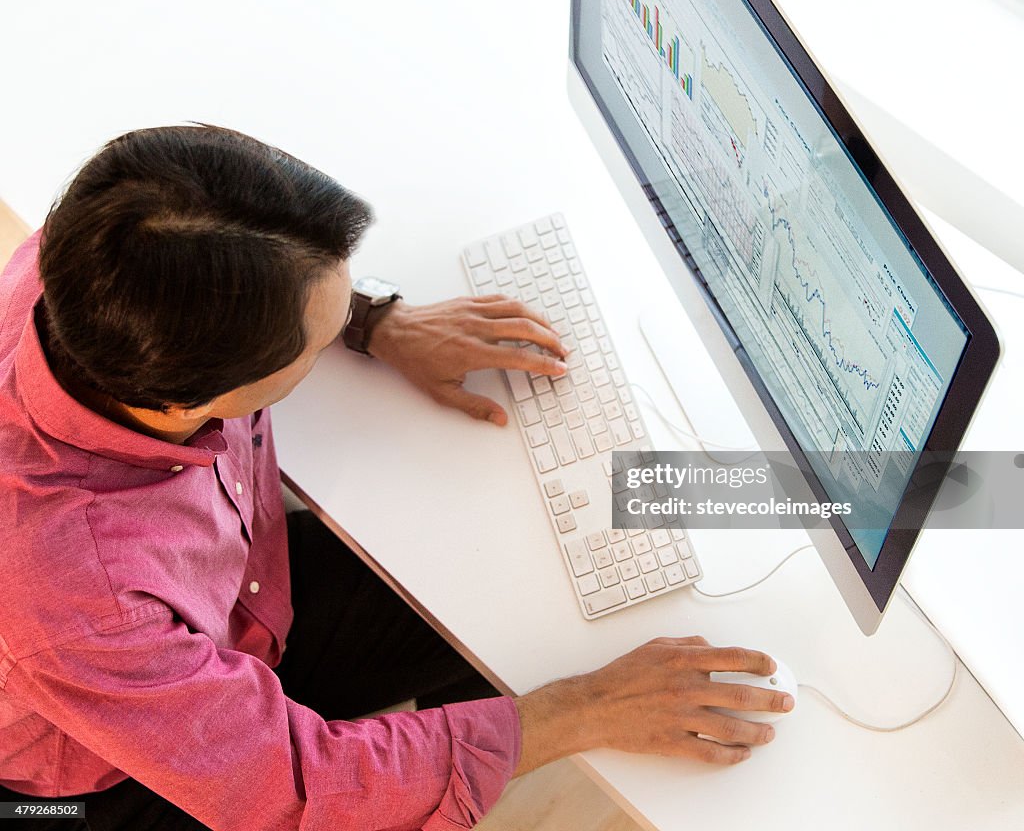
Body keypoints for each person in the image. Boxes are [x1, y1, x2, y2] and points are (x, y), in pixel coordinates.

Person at [0, 125, 793, 831]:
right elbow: (293, 789)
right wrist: (582, 712)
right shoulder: (83, 599)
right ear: (195, 400)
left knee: (488, 608)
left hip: (236, 603)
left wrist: (379, 322)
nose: (333, 337)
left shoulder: (98, 255)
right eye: (312, 345)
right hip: (91, 785)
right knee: (498, 692)